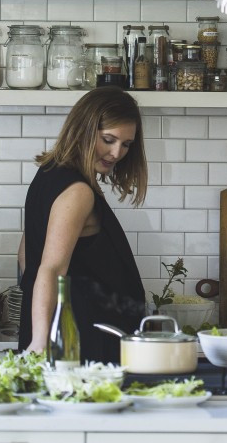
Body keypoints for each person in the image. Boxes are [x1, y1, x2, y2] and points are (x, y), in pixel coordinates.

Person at [18, 86, 149, 363]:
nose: (116, 153)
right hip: (82, 341)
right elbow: (51, 267)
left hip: (75, 334)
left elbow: (26, 253)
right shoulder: (78, 191)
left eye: (126, 144)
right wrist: (42, 341)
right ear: (84, 129)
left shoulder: (50, 174)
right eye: (108, 139)